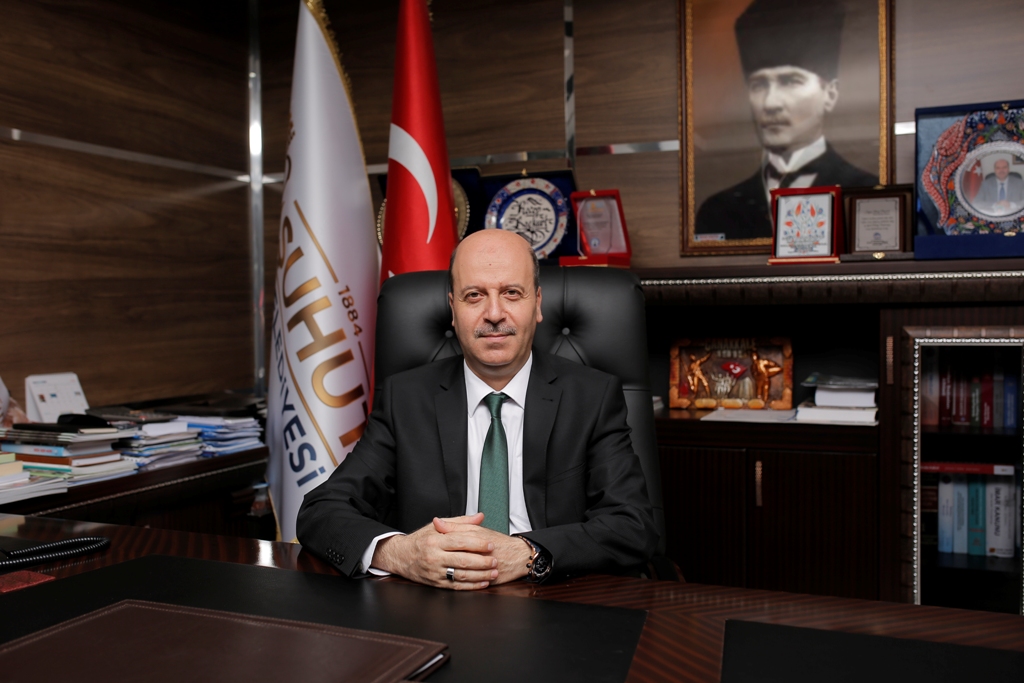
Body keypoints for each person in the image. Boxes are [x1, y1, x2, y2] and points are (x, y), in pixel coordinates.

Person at [296, 229, 657, 589]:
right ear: (453, 309)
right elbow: (321, 511)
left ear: (537, 303)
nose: (494, 314)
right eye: (474, 296)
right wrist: (401, 554)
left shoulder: (592, 397)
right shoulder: (404, 399)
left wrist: (528, 552)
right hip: (434, 598)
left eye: (512, 293)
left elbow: (632, 526)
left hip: (553, 595)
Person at [695, 0, 878, 240]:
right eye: (759, 84)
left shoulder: (866, 196)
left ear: (830, 94)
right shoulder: (717, 211)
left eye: (790, 81)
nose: (770, 103)